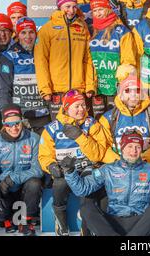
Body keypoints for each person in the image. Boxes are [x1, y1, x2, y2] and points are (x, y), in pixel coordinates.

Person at [62, 130, 150, 236]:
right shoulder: (108, 169)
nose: (133, 151)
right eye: (129, 146)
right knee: (86, 208)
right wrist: (70, 171)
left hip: (140, 223)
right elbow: (82, 189)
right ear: (122, 147)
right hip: (113, 222)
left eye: (137, 147)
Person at [38, 89, 108, 236]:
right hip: (65, 171)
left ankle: (87, 227)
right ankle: (61, 222)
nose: (81, 109)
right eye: (76, 106)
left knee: (89, 187)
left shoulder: (92, 124)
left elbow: (97, 155)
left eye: (83, 105)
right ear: (66, 108)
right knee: (59, 184)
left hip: (87, 168)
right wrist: (51, 166)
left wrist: (80, 137)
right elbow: (44, 155)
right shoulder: (52, 129)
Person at [34, 0, 94, 120]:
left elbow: (88, 59)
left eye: (74, 6)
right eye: (67, 6)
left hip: (79, 89)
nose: (71, 10)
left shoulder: (82, 27)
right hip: (57, 90)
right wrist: (45, 89)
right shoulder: (47, 29)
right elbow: (40, 61)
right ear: (59, 7)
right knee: (60, 131)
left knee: (80, 129)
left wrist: (90, 85)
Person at [0, 104, 43, 236]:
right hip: (5, 189)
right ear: (3, 124)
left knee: (35, 183)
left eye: (17, 123)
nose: (14, 128)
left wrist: (13, 178)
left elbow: (39, 169)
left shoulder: (33, 138)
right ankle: (7, 218)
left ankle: (25, 221)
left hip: (24, 188)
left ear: (22, 122)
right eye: (9, 125)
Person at [88, 0, 137, 117]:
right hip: (95, 86)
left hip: (114, 86)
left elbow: (128, 60)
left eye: (101, 10)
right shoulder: (89, 30)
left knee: (114, 119)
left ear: (108, 9)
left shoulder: (121, 30)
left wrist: (121, 82)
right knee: (96, 120)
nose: (98, 14)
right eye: (95, 11)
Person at [0, 17, 50, 134]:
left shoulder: (45, 52)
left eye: (31, 32)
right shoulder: (9, 56)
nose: (28, 37)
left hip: (43, 115)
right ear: (17, 35)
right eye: (23, 33)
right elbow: (4, 90)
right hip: (21, 116)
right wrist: (7, 115)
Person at [99, 74, 150, 163]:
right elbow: (102, 148)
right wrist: (118, 163)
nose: (133, 94)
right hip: (118, 169)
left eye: (137, 90)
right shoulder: (108, 118)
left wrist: (145, 160)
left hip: (146, 166)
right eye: (127, 90)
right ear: (121, 95)